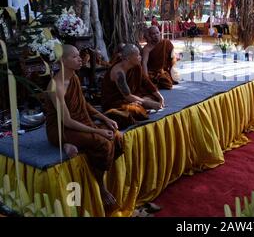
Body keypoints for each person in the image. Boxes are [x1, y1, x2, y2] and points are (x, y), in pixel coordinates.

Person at [44, 44, 123, 212]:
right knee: (103, 142)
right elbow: (66, 121)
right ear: (62, 61)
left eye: (79, 55)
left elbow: (84, 104)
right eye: (74, 57)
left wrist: (104, 118)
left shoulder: (74, 78)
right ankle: (100, 186)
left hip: (78, 122)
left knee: (116, 135)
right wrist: (97, 130)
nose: (80, 58)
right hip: (59, 128)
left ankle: (70, 145)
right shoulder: (55, 86)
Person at [102, 44, 164, 129]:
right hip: (115, 101)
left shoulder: (136, 66)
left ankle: (141, 103)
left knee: (154, 98)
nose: (140, 57)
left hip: (132, 96)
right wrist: (148, 103)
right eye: (138, 55)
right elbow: (127, 96)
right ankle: (140, 104)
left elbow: (146, 81)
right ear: (128, 58)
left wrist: (160, 97)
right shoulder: (118, 73)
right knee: (134, 111)